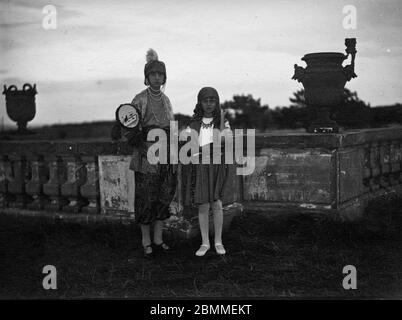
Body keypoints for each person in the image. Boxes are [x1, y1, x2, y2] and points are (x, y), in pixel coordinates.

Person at [111, 49, 177, 258]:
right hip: (146, 155)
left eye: (160, 74)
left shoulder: (166, 100)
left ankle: (159, 239)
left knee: (164, 195)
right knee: (146, 198)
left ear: (164, 77)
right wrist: (133, 136)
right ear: (147, 77)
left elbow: (171, 126)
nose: (157, 78)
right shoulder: (139, 99)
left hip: (165, 154)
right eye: (153, 74)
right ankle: (146, 241)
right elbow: (127, 122)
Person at [182, 87, 231, 256]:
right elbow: (187, 142)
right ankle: (205, 243)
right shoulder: (194, 123)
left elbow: (226, 138)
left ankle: (218, 241)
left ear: (216, 102)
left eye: (212, 100)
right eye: (205, 100)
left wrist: (222, 124)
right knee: (203, 204)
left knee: (216, 203)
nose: (209, 104)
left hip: (217, 165)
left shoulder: (222, 121)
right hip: (200, 166)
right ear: (200, 102)